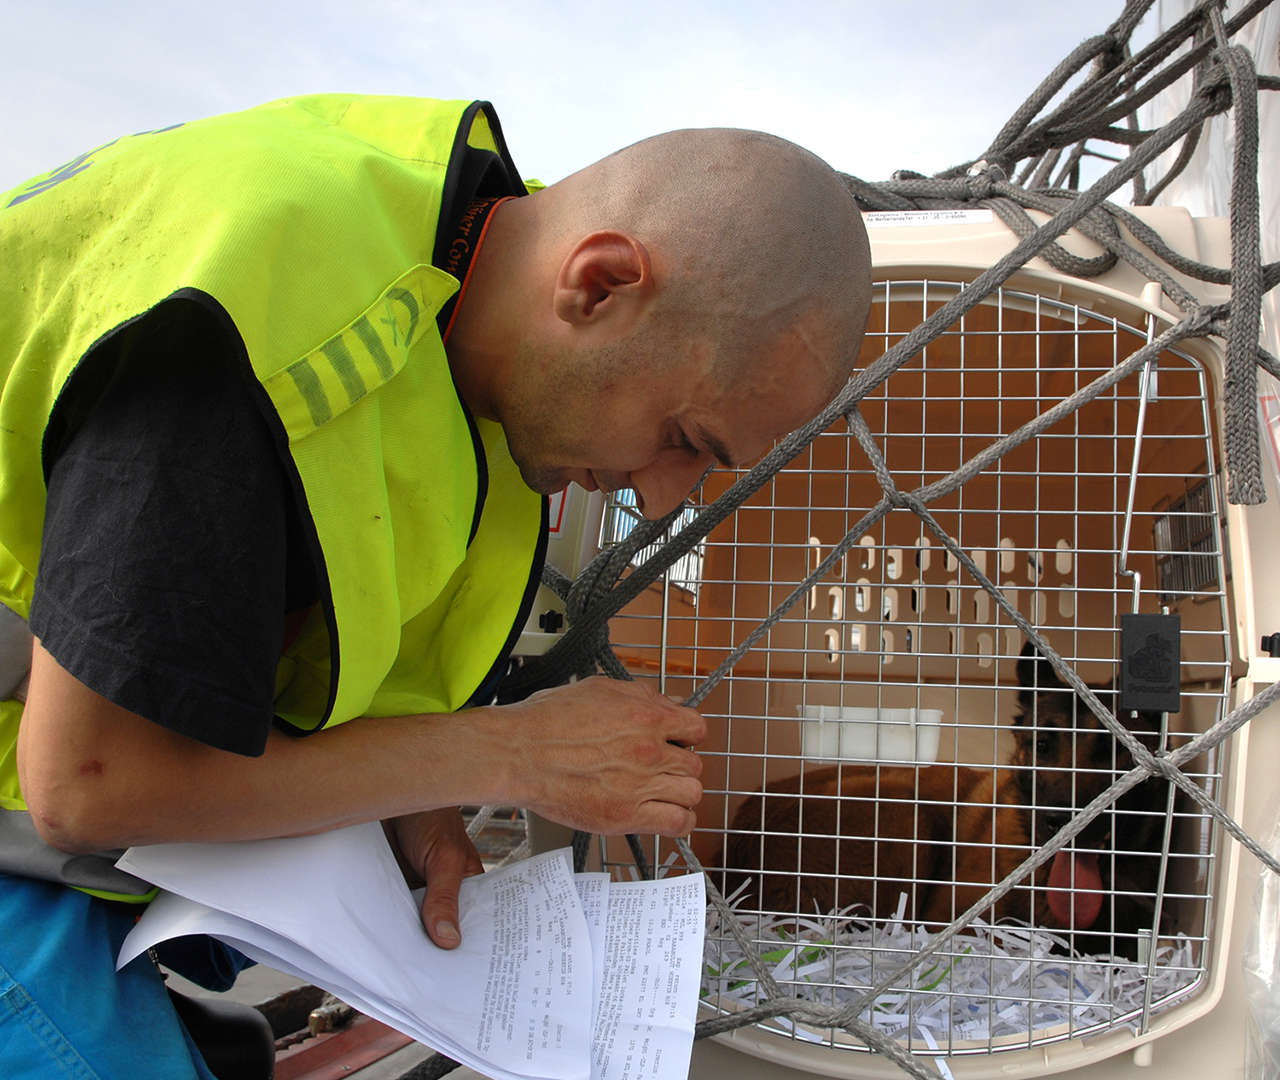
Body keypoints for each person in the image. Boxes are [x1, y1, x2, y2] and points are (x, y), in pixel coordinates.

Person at [0, 94, 872, 1077]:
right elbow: (92, 782)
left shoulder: (478, 324)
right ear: (596, 285)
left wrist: (415, 809)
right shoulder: (259, 325)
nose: (667, 498)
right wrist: (509, 755)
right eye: (683, 440)